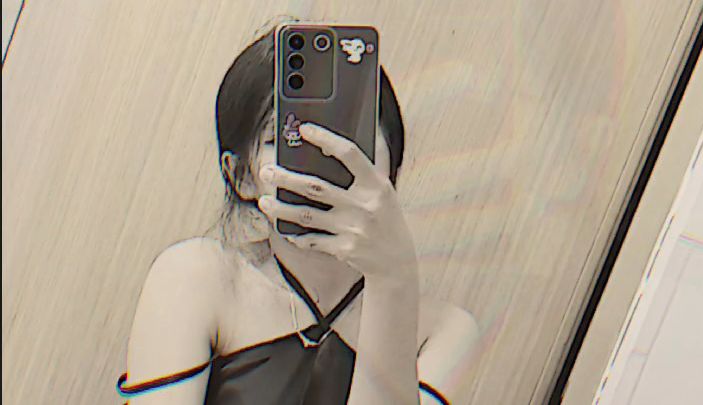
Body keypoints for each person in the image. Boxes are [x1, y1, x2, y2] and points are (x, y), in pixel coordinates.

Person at [118, 25, 480, 405]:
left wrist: (393, 279)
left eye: (349, 136)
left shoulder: (443, 332)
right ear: (241, 176)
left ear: (392, 158)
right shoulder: (197, 278)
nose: (324, 158)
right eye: (289, 140)